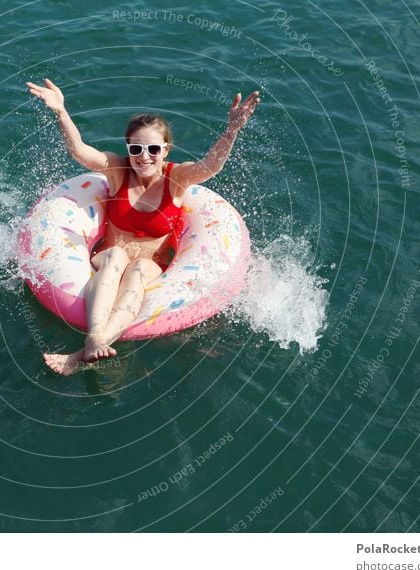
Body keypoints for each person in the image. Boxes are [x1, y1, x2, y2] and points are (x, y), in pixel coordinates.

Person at [26, 78, 260, 375]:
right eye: (136, 149)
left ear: (165, 150)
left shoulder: (177, 178)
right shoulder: (117, 169)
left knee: (136, 269)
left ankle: (82, 354)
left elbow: (210, 166)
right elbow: (80, 151)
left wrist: (232, 131)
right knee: (116, 257)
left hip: (151, 266)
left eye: (152, 149)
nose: (144, 157)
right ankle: (95, 339)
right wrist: (61, 111)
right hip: (107, 259)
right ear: (128, 149)